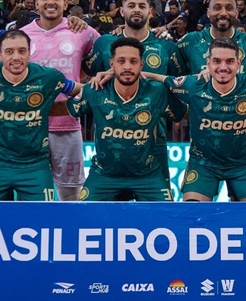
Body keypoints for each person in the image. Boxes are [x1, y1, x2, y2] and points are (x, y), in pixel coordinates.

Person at [148, 37, 246, 202]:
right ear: (208, 63)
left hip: (243, 164)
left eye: (229, 61)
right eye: (216, 61)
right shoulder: (194, 84)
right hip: (202, 164)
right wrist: (114, 74)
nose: (223, 67)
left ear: (238, 63)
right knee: (192, 216)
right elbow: (159, 78)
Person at [0, 29, 80, 201]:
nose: (16, 57)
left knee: (42, 222)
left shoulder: (49, 77)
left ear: (29, 53)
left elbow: (81, 91)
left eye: (22, 51)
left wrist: (104, 79)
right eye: (9, 52)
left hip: (35, 164)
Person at [20, 0, 98, 201]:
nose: (50, 2)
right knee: (33, 194)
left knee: (71, 195)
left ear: (66, 4)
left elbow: (106, 60)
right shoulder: (23, 35)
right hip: (30, 127)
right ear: (36, 4)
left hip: (67, 125)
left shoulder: (82, 31)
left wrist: (84, 80)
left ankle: (70, 235)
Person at [69, 38, 172, 201]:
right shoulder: (95, 89)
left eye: (133, 61)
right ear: (111, 64)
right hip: (104, 175)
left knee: (168, 219)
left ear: (141, 64)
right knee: (84, 219)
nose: (127, 67)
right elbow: (70, 110)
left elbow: (183, 112)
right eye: (121, 61)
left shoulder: (157, 91)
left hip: (147, 175)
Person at [172, 0, 246, 74]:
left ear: (236, 13)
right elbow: (169, 59)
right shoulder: (191, 41)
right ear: (208, 12)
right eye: (217, 8)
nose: (223, 13)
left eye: (229, 8)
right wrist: (158, 36)